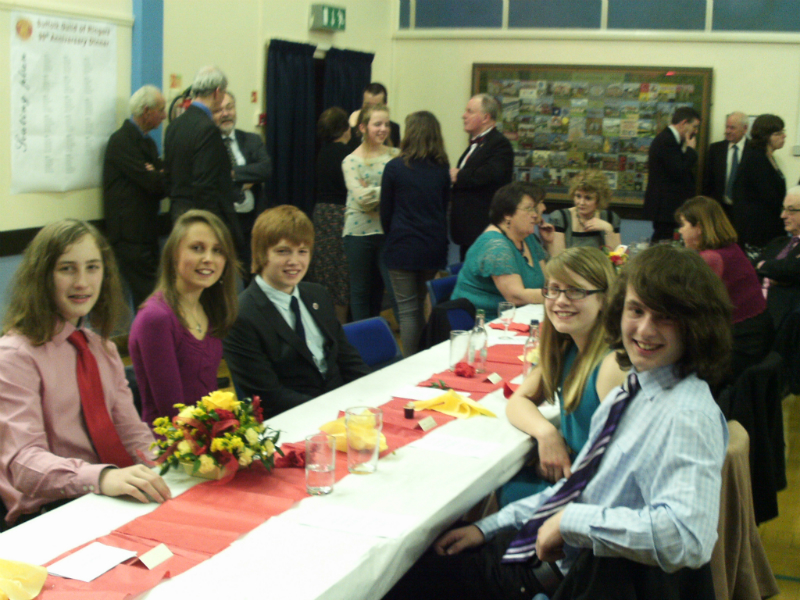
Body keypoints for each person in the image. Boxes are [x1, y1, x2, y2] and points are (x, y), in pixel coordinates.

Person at [384, 244, 731, 600]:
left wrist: (570, 523)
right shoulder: (635, 390)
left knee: (403, 579)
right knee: (432, 551)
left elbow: (688, 538)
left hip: (574, 579)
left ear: (697, 325)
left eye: (665, 317)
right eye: (636, 310)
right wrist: (486, 527)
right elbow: (577, 489)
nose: (644, 329)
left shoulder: (685, 415)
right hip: (554, 555)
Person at [0, 220, 171, 528]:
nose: (82, 282)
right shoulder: (14, 355)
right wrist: (101, 477)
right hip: (48, 513)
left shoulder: (101, 348)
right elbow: (24, 464)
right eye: (67, 269)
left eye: (92, 267)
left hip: (106, 496)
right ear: (42, 277)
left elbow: (131, 433)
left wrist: (167, 465)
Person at [501, 247, 626, 506]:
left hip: (588, 494)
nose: (560, 300)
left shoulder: (611, 365)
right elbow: (518, 401)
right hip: (570, 481)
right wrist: (547, 433)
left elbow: (620, 469)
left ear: (604, 298)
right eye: (554, 289)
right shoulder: (567, 347)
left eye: (575, 291)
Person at [223, 205, 370, 420]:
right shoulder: (241, 315)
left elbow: (347, 357)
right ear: (262, 254)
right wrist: (333, 411)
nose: (294, 261)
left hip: (343, 408)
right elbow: (269, 395)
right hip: (293, 421)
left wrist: (377, 392)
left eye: (302, 251)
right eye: (283, 251)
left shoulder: (317, 294)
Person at [129, 210, 238, 426]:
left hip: (206, 434)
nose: (208, 259)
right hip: (170, 445)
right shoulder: (156, 318)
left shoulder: (209, 308)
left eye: (217, 251)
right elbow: (173, 413)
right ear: (174, 254)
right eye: (197, 248)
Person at [675, 196, 773, 383]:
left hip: (742, 343)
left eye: (683, 225)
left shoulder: (711, 258)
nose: (680, 231)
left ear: (699, 228)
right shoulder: (730, 248)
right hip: (758, 332)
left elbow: (688, 303)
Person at [380, 111, 451, 356]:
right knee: (420, 305)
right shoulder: (441, 168)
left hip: (402, 244)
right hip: (432, 245)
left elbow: (385, 212)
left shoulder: (395, 167)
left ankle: (410, 363)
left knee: (408, 310)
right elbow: (444, 208)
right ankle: (421, 359)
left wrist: (393, 235)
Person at [164, 66, 243, 252]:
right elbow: (205, 186)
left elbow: (167, 177)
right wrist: (213, 229)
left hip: (178, 216)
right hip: (202, 220)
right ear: (217, 92)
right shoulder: (207, 130)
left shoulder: (174, 126)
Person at [102, 85, 168, 308]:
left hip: (147, 233)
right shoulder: (121, 141)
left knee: (154, 294)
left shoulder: (147, 142)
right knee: (148, 298)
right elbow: (152, 182)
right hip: (129, 237)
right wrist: (155, 174)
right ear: (147, 111)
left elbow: (162, 183)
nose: (165, 115)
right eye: (161, 109)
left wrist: (157, 174)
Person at [452, 182, 551, 320]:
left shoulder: (527, 237)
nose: (536, 214)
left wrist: (549, 243)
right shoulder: (495, 245)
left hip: (519, 316)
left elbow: (548, 280)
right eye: (529, 208)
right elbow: (516, 296)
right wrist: (560, 295)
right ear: (507, 214)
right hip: (484, 323)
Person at [342, 103, 399, 321]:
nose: (383, 129)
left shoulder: (396, 155)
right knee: (360, 293)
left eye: (386, 124)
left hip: (388, 231)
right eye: (377, 124)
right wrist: (388, 189)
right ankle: (362, 345)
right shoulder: (350, 160)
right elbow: (362, 199)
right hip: (358, 233)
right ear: (363, 127)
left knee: (391, 290)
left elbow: (403, 191)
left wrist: (373, 190)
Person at [450, 94, 515, 261]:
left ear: (486, 117)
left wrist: (459, 175)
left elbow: (491, 174)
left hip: (483, 230)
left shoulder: (499, 144)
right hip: (469, 232)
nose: (463, 115)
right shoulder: (476, 144)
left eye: (469, 111)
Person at [214, 90, 272, 271]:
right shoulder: (209, 143)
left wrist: (233, 174)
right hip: (223, 219)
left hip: (252, 219)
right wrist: (248, 177)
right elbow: (214, 176)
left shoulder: (251, 139)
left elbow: (265, 169)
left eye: (229, 107)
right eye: (219, 110)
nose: (226, 113)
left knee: (252, 270)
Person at [309, 107, 352, 324]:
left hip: (321, 214)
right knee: (341, 275)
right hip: (341, 215)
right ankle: (341, 328)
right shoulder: (348, 155)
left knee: (324, 271)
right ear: (345, 129)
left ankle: (322, 324)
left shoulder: (322, 153)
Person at [643, 106, 701, 242]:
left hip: (669, 208)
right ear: (683, 123)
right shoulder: (667, 140)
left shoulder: (673, 140)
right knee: (663, 245)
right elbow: (678, 171)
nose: (695, 131)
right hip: (666, 209)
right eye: (694, 126)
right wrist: (691, 151)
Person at [732, 114, 787, 253]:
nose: (784, 136)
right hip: (757, 229)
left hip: (769, 224)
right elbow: (768, 195)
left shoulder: (768, 157)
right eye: (778, 133)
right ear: (765, 136)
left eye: (783, 132)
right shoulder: (756, 158)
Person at [756, 187, 800, 329]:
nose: (783, 215)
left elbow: (790, 270)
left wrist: (764, 266)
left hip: (783, 320)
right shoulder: (778, 243)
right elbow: (751, 269)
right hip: (754, 309)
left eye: (791, 210)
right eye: (783, 209)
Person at [548, 170, 621, 254]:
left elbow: (617, 259)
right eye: (578, 196)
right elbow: (557, 259)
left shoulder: (610, 218)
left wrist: (608, 229)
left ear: (599, 200)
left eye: (588, 198)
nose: (581, 202)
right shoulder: (560, 218)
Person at [702, 111, 749, 216]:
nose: (727, 131)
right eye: (726, 127)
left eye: (732, 128)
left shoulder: (754, 151)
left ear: (745, 129)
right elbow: (707, 181)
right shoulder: (715, 149)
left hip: (743, 212)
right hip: (718, 209)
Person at [347, 82, 401, 149]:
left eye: (376, 106)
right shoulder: (352, 128)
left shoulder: (393, 129)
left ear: (385, 105)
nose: (370, 110)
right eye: (367, 105)